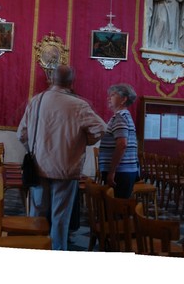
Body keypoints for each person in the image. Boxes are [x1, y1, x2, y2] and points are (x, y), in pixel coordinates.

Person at [16, 65, 105, 251]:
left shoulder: (36, 101)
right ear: (72, 82)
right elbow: (101, 129)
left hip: (39, 167)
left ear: (52, 79)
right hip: (66, 169)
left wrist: (35, 149)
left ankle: (34, 248)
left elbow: (21, 134)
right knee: (60, 218)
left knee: (37, 214)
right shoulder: (79, 105)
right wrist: (84, 142)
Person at [99, 83, 139, 199]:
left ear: (123, 99)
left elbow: (122, 144)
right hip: (124, 171)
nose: (108, 98)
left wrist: (112, 171)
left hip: (120, 172)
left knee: (114, 208)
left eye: (113, 95)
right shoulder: (124, 116)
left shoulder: (120, 117)